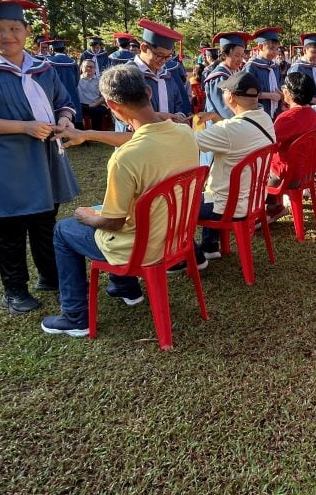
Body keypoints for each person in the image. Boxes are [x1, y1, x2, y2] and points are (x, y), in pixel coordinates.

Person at [40, 65, 201, 336]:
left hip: (141, 248)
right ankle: (125, 288)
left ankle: (76, 317)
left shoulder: (125, 158)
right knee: (121, 210)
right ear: (148, 92)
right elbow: (140, 137)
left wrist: (86, 216)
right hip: (177, 239)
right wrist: (88, 135)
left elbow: (113, 222)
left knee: (64, 230)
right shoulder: (185, 134)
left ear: (112, 105)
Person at [0, 0, 80, 314]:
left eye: (14, 28)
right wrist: (23, 126)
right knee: (12, 227)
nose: (7, 35)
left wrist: (64, 120)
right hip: (8, 161)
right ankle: (14, 290)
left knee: (45, 221)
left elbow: (63, 102)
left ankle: (50, 277)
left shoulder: (43, 68)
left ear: (26, 31)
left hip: (47, 156)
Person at [194, 71, 277, 260]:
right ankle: (210, 245)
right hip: (254, 200)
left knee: (182, 204)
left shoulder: (228, 131)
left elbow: (190, 141)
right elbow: (238, 133)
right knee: (211, 191)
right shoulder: (264, 118)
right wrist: (216, 118)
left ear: (230, 97)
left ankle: (194, 256)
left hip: (227, 206)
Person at [266, 71, 316, 221]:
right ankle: (273, 206)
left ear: (288, 93)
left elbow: (269, 144)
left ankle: (265, 210)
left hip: (287, 176)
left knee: (254, 170)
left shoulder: (286, 118)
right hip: (307, 173)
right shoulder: (314, 115)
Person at [116, 19, 188, 132]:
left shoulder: (166, 75)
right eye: (159, 55)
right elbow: (120, 111)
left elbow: (177, 101)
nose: (163, 61)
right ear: (143, 48)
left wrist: (179, 115)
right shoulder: (127, 74)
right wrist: (156, 116)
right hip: (138, 138)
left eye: (168, 56)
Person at [243, 27, 283, 119]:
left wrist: (282, 94)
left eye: (277, 49)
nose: (275, 52)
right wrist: (269, 96)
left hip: (276, 112)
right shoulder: (252, 66)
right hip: (258, 113)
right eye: (272, 48)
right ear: (260, 47)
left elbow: (281, 84)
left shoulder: (275, 67)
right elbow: (246, 92)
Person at [46, 39, 82, 127]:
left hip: (57, 94)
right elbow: (77, 79)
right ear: (64, 49)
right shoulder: (72, 62)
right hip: (72, 92)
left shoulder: (49, 61)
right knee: (74, 112)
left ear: (52, 49)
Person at [287, 33, 316, 103]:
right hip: (305, 107)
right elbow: (294, 92)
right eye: (314, 52)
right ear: (305, 50)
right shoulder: (297, 68)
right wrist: (313, 100)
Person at [76, 59, 108, 130]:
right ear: (81, 67)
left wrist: (94, 104)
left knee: (98, 112)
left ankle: (95, 135)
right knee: (75, 111)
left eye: (91, 67)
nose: (89, 69)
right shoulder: (76, 80)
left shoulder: (100, 81)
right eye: (86, 66)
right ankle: (80, 135)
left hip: (96, 105)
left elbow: (104, 96)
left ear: (95, 69)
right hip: (81, 105)